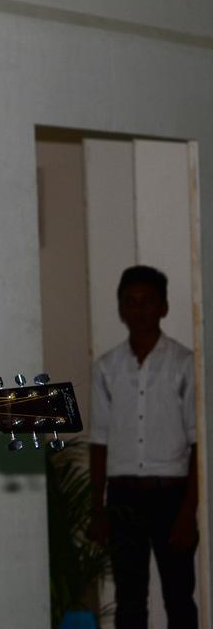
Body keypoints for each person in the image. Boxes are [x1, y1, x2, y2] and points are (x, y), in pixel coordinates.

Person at [89, 265, 198, 628]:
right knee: (130, 602)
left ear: (163, 306)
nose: (139, 309)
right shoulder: (107, 368)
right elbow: (99, 441)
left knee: (179, 598)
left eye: (148, 301)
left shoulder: (184, 364)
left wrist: (189, 512)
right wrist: (97, 509)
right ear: (121, 308)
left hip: (172, 496)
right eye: (131, 301)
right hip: (123, 499)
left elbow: (198, 443)